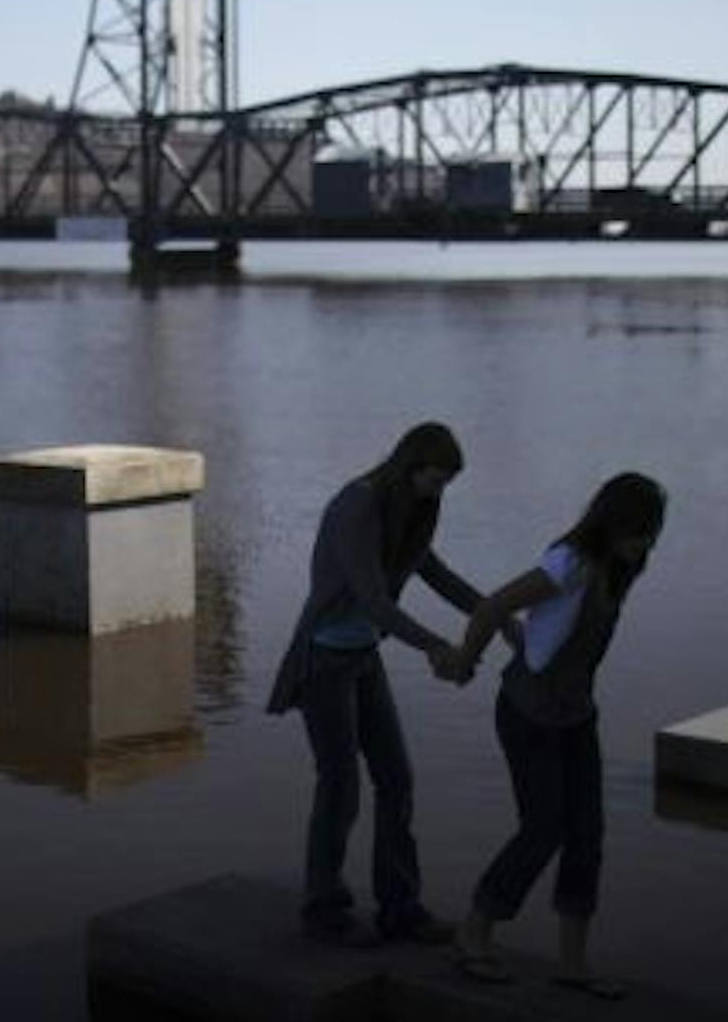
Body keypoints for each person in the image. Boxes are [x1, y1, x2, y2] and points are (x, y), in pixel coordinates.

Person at [445, 472, 667, 998]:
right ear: (611, 524)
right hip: (527, 713)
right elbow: (493, 605)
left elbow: (553, 631)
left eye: (652, 532)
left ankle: (573, 964)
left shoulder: (621, 566)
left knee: (587, 834)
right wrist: (464, 661)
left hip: (575, 715)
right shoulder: (570, 562)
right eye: (639, 530)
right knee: (543, 828)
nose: (646, 542)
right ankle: (473, 931)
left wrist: (529, 639)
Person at [266, 421, 485, 946]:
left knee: (397, 779)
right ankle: (324, 908)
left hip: (363, 657)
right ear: (409, 467)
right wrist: (437, 647)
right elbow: (374, 602)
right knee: (340, 786)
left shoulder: (415, 508)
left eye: (446, 485)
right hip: (323, 661)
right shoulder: (357, 506)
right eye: (434, 481)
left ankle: (400, 908)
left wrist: (498, 615)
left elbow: (435, 573)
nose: (439, 493)